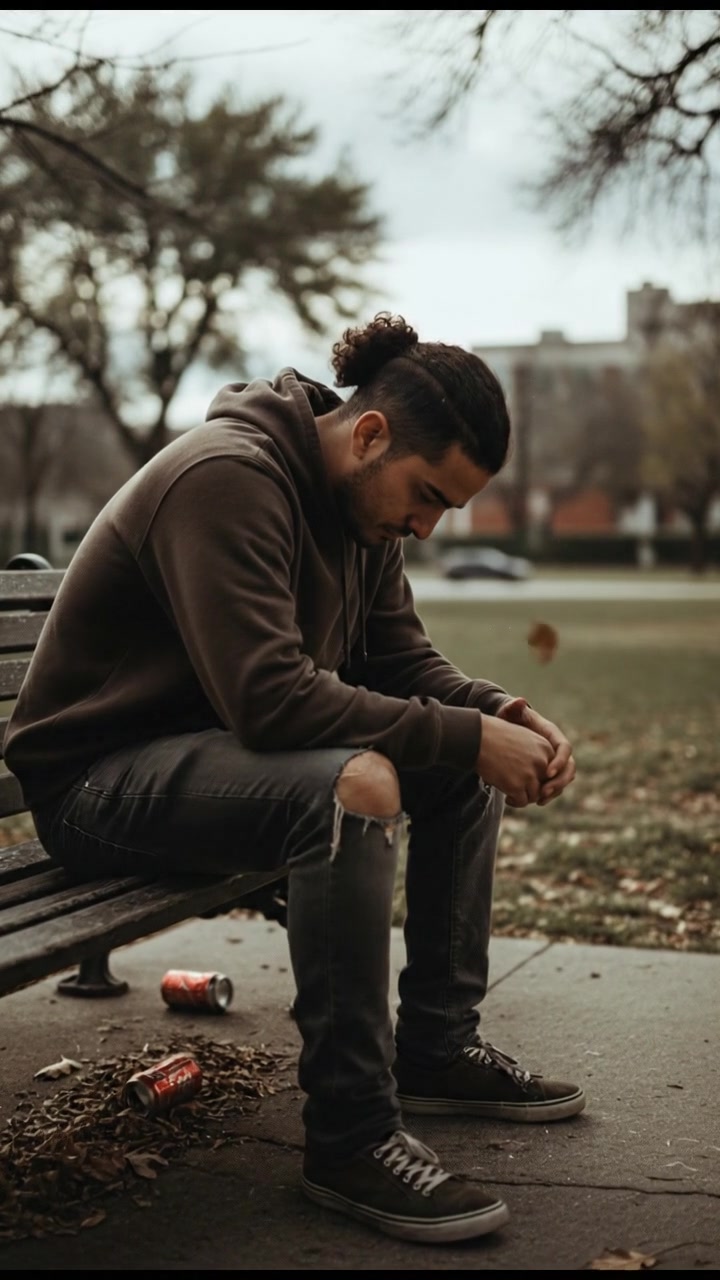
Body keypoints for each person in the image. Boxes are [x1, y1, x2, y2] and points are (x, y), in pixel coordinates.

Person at [4, 313, 582, 1245]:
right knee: (359, 783)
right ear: (369, 434)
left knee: (455, 767)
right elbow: (269, 701)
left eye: (447, 513)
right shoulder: (226, 477)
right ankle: (350, 1138)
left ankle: (435, 1049)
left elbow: (401, 661)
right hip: (95, 784)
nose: (427, 528)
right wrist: (463, 734)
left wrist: (498, 715)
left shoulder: (361, 508)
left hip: (211, 767)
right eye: (427, 497)